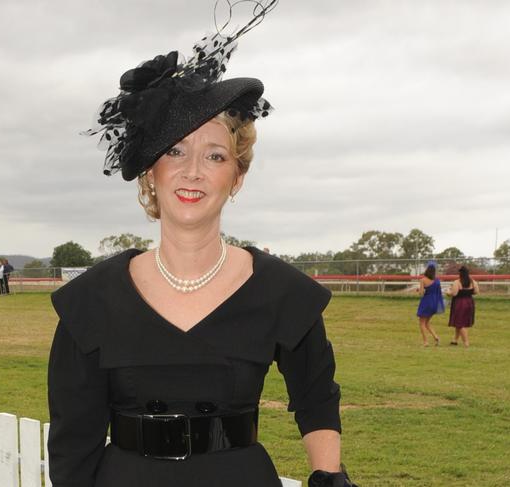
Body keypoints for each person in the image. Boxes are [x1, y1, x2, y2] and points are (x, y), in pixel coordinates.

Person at [47, 3, 357, 487]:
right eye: (175, 151)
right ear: (152, 171)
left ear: (236, 177)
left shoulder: (280, 291)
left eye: (214, 155)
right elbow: (73, 444)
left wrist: (327, 477)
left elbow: (317, 398)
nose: (192, 171)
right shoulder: (92, 300)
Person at [447, 266, 479, 347]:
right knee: (460, 322)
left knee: (460, 323)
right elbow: (476, 292)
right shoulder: (473, 282)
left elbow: (454, 293)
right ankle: (455, 340)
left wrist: (448, 292)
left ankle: (466, 342)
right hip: (469, 302)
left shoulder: (457, 282)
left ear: (460, 273)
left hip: (459, 303)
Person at [416, 261, 444, 346]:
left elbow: (421, 293)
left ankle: (425, 342)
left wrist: (418, 290)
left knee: (422, 323)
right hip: (435, 303)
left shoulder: (423, 280)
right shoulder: (437, 281)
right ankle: (436, 337)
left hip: (426, 302)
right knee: (427, 323)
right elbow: (439, 292)